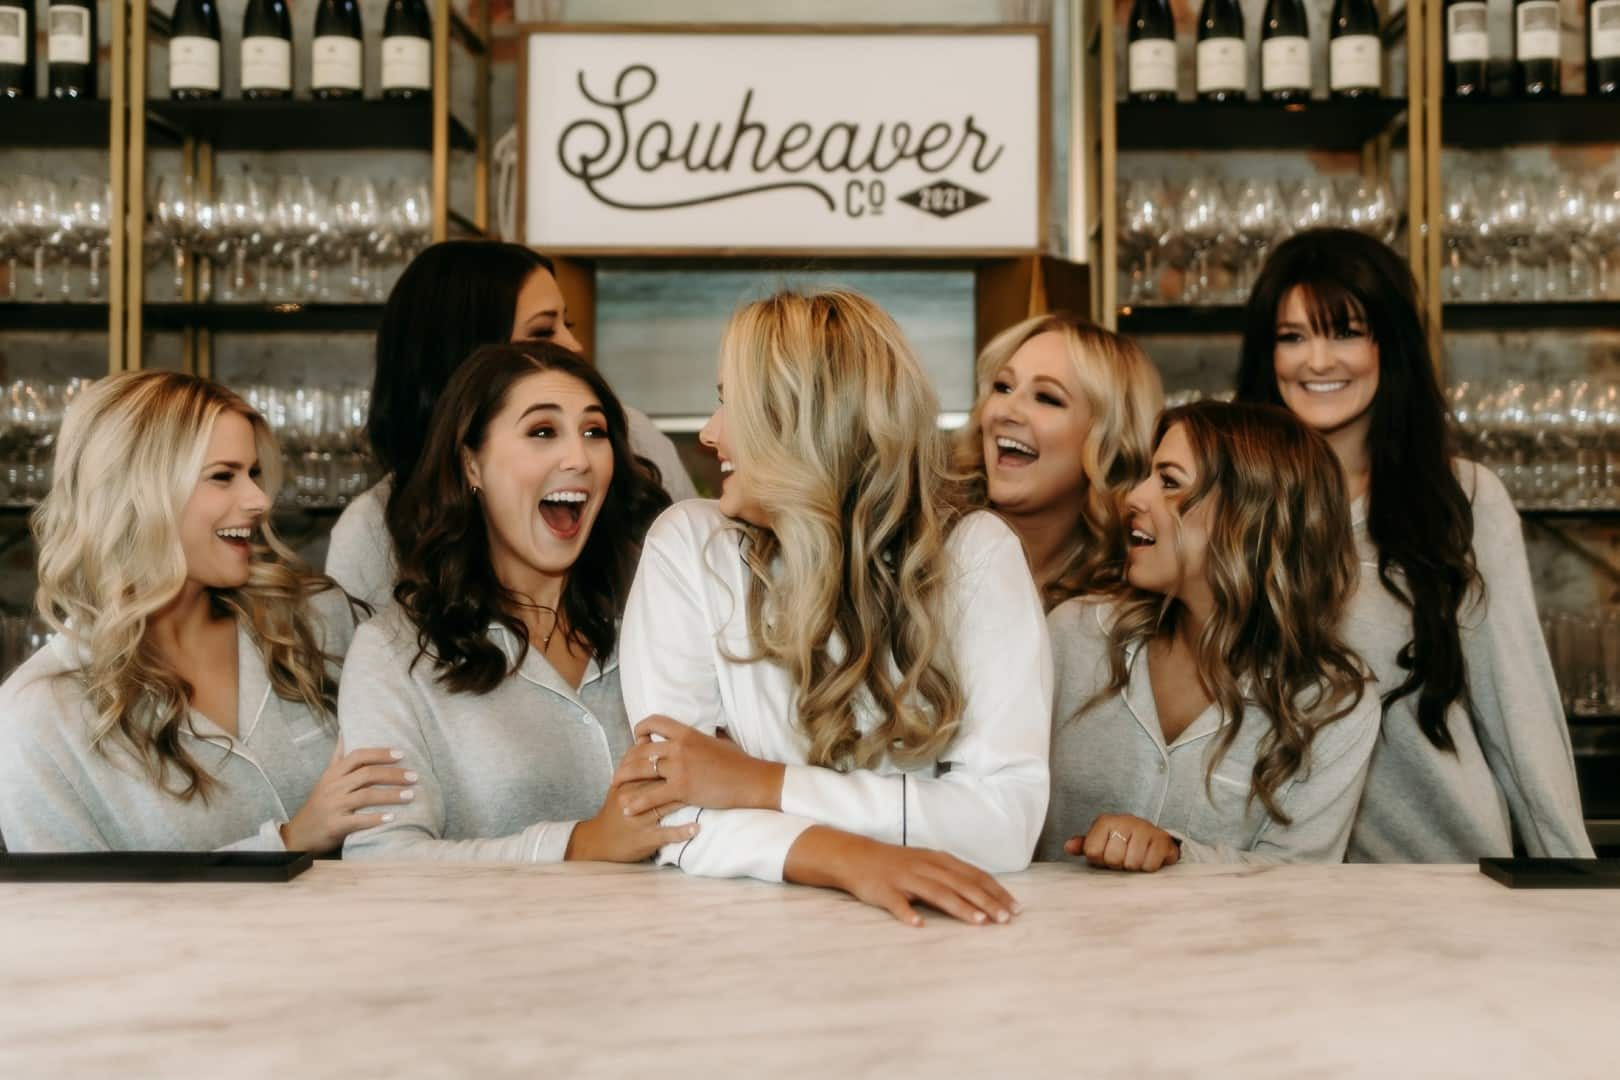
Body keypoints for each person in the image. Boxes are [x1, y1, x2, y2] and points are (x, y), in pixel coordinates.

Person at [615, 288, 1052, 927]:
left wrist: (758, 785)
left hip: (934, 940)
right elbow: (672, 813)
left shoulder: (976, 555)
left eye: (730, 403)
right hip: (736, 937)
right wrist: (848, 858)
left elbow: (1005, 823)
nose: (711, 435)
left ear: (806, 420)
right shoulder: (689, 547)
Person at [1235, 227, 1592, 860]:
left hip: (1443, 874)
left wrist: (1569, 876)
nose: (1317, 361)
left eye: (1345, 332)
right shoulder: (1230, 499)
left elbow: (1519, 709)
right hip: (1270, 882)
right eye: (1292, 337)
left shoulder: (1464, 500)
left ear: (1390, 345)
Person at [0, 372, 412, 852]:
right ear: (135, 494)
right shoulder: (38, 717)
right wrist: (288, 842)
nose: (258, 500)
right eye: (223, 476)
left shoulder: (316, 621)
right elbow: (74, 919)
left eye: (254, 474)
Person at [339, 342, 679, 862]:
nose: (578, 458)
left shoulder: (651, 626)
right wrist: (577, 845)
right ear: (472, 464)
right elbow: (381, 859)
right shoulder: (394, 653)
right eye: (542, 432)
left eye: (595, 433)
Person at [1038, 401, 1379, 868]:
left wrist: (1178, 854)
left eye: (1170, 483)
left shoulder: (1332, 700)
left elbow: (1303, 883)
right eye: (1147, 477)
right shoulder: (1072, 638)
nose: (1134, 498)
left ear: (1249, 519)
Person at [326, 240, 696, 611]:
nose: (574, 345)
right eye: (542, 333)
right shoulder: (371, 532)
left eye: (593, 433)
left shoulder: (633, 441)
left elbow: (701, 594)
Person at [956, 313, 1162, 608]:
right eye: (1003, 387)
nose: (1005, 412)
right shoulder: (924, 559)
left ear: (1110, 441)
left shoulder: (1126, 610)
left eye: (1047, 398)